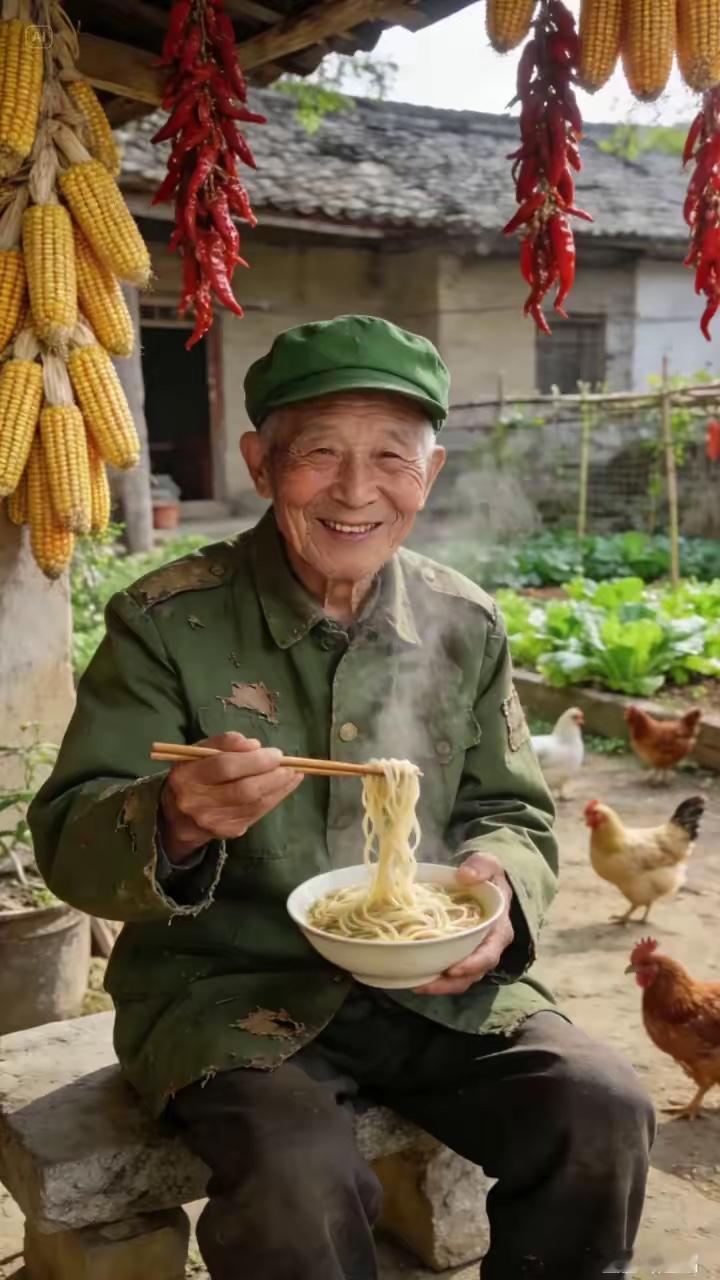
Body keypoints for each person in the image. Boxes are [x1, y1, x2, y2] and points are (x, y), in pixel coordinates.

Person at [30, 315, 654, 1280]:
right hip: (227, 995)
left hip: (437, 987)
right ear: (261, 463)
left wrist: (497, 888)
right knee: (297, 1180)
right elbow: (72, 834)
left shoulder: (465, 621)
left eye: (391, 458)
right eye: (319, 453)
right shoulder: (167, 622)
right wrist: (176, 818)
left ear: (429, 473)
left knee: (601, 1106)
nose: (357, 491)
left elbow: (514, 812)